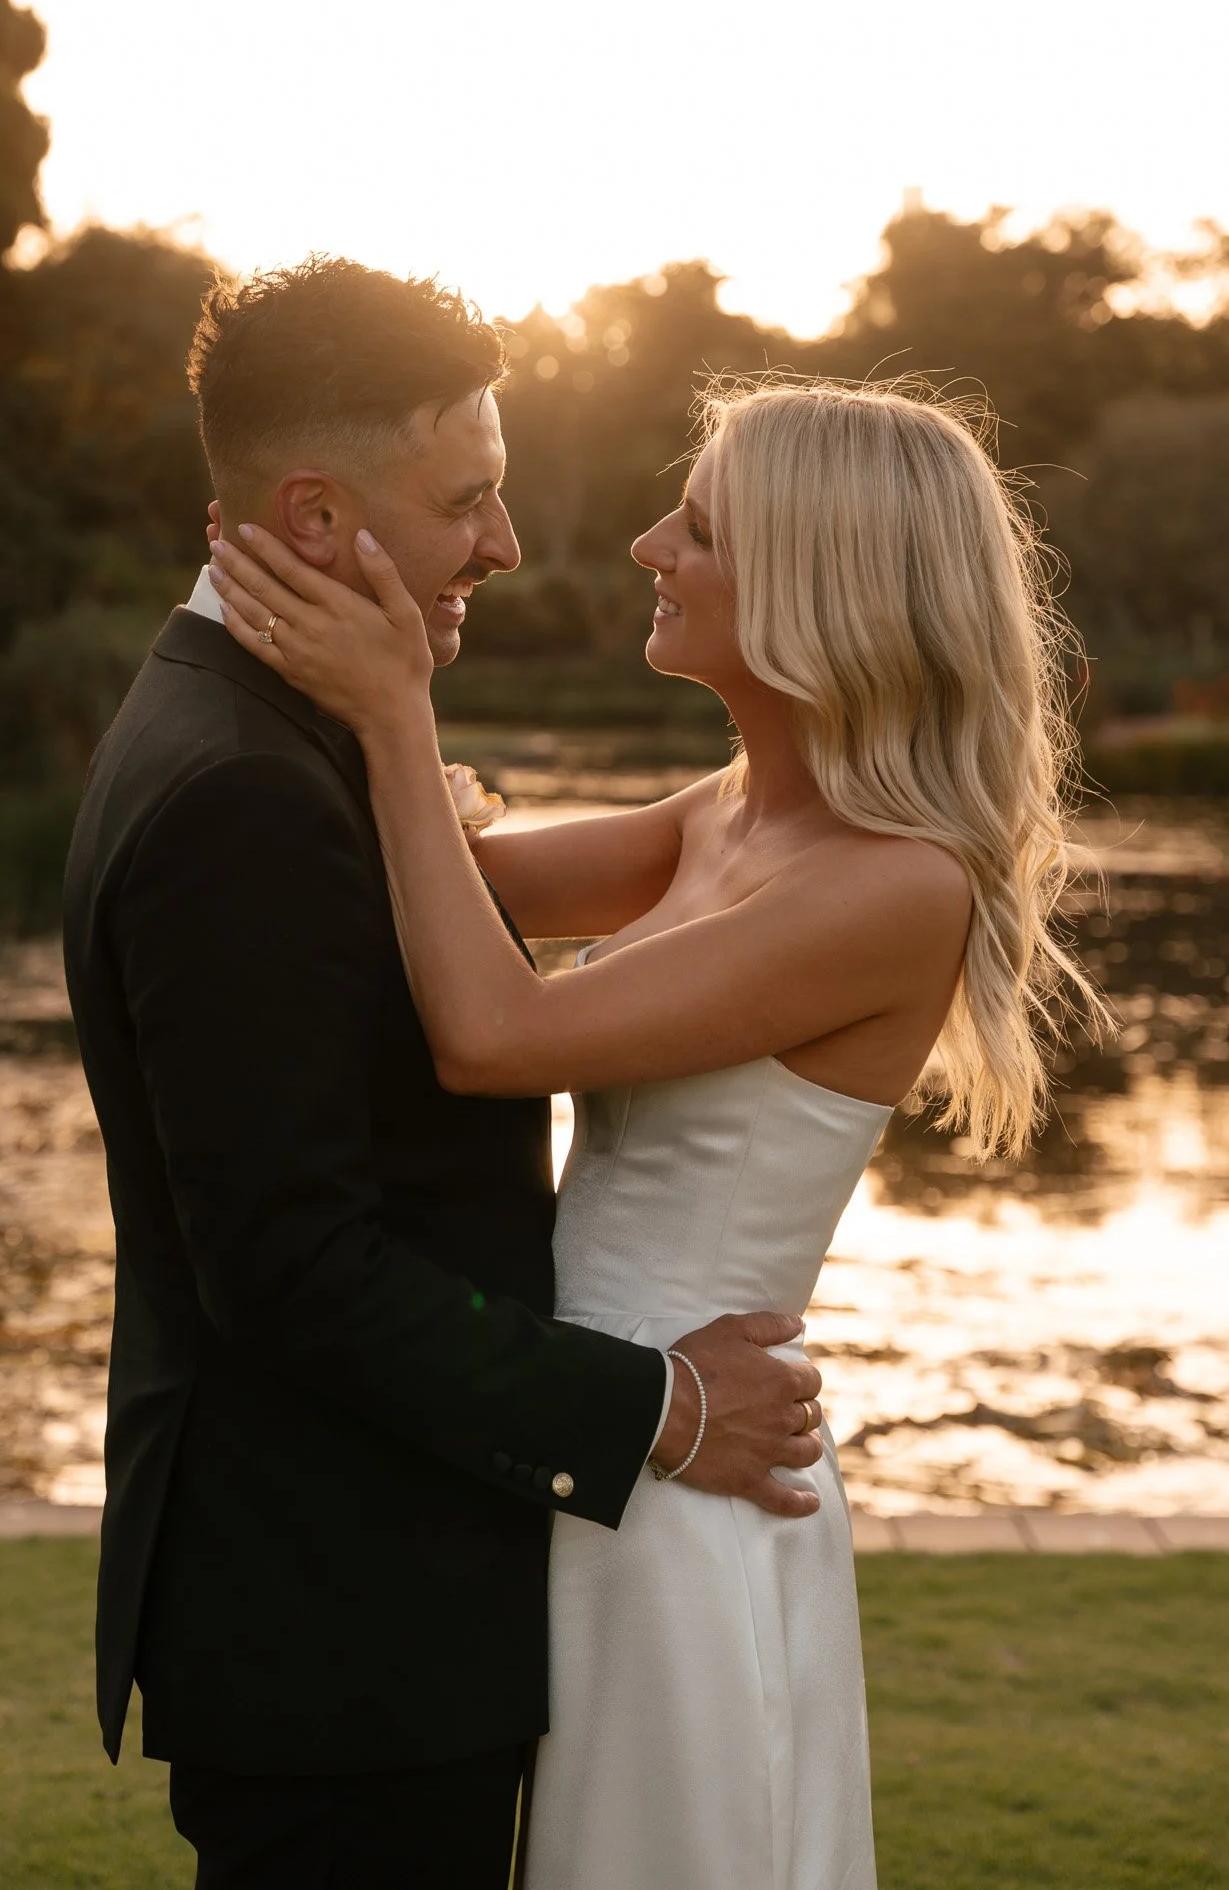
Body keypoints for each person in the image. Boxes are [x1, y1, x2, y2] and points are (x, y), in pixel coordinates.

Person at [207, 373, 1106, 1889]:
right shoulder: (732, 814)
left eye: (695, 526)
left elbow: (493, 1034)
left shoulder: (895, 887)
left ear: (819, 586)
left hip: (691, 1473)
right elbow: (446, 902)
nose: (644, 544)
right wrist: (324, 698)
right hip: (602, 1429)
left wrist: (392, 708)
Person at [61, 259, 825, 1890]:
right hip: (344, 1628)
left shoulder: (276, 737)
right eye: (466, 497)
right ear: (318, 517)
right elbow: (292, 1271)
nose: (507, 542)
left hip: (371, 1609)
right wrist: (661, 1411)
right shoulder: (241, 798)